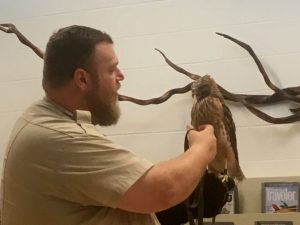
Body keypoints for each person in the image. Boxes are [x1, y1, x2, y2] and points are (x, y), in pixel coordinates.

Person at [1, 25, 217, 225]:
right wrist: (202, 147)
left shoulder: (42, 117)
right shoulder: (59, 136)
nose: (121, 76)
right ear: (82, 79)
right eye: (112, 69)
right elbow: (163, 190)